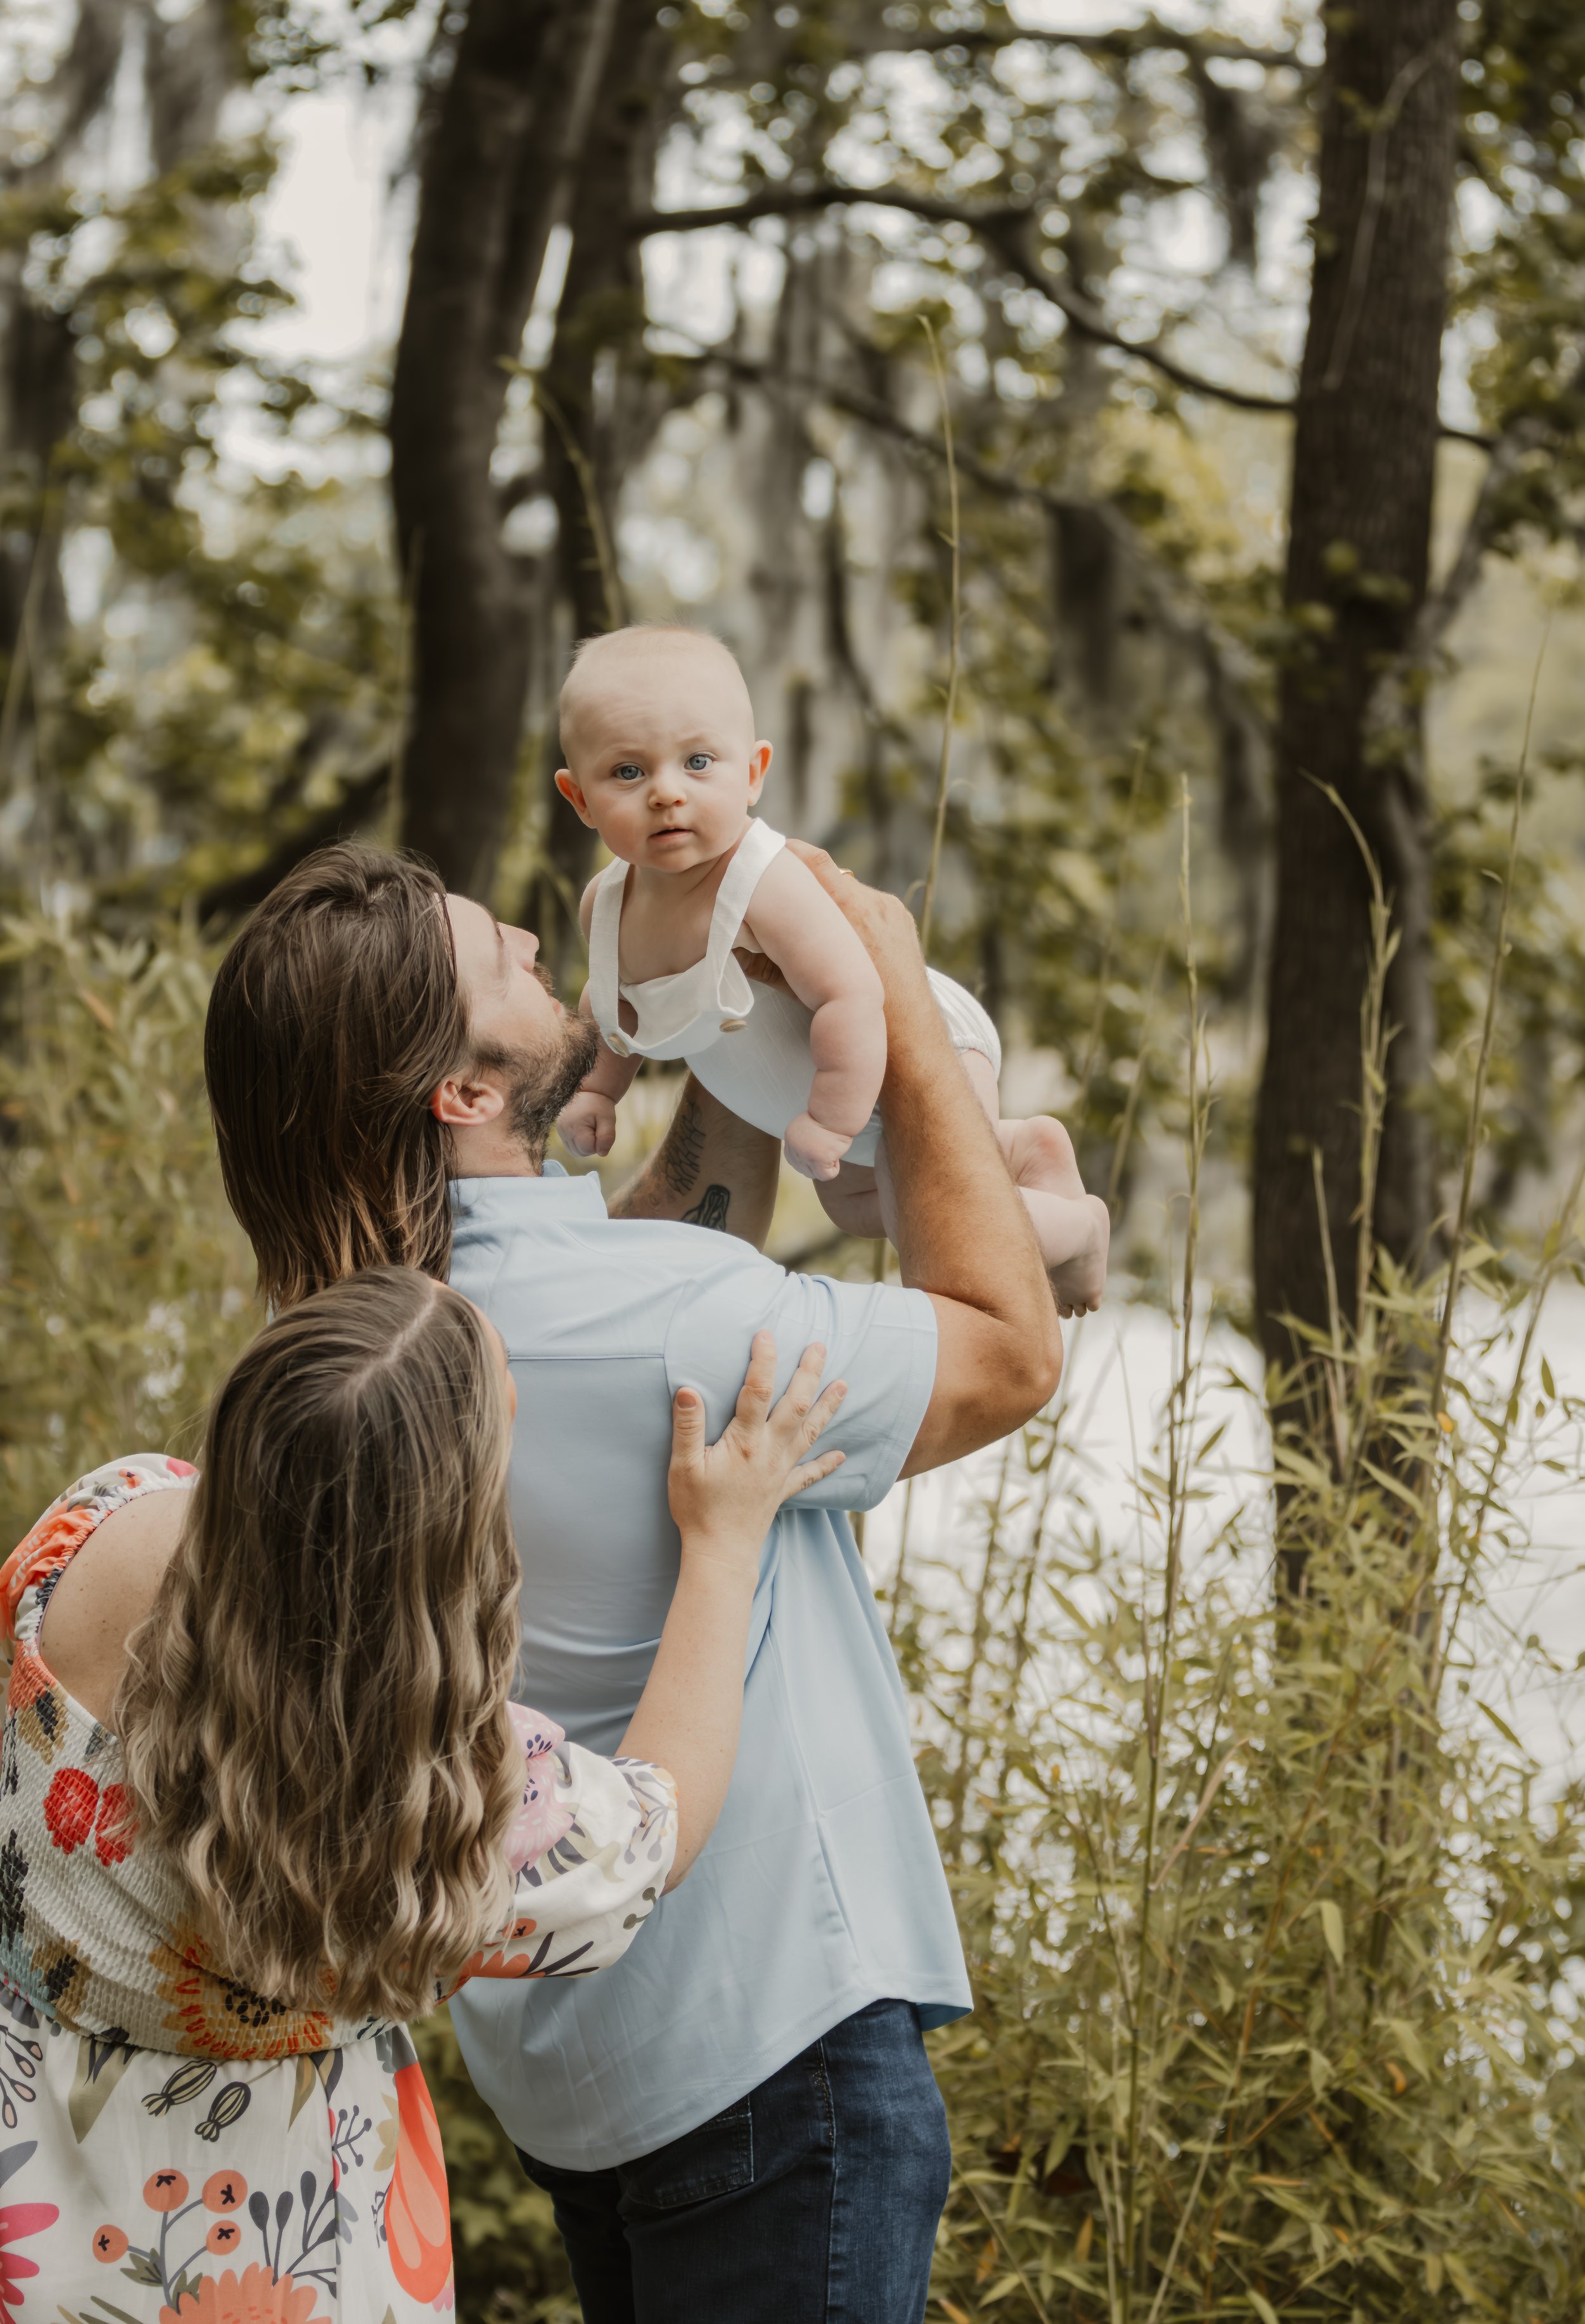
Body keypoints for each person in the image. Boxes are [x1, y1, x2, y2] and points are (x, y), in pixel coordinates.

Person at [203, 834, 1070, 2324]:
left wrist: (717, 1001)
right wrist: (891, 981)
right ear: (461, 1091)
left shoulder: (361, 1353)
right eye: (503, 954)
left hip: (583, 2076)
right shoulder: (669, 1319)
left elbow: (675, 1237)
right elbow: (1008, 1348)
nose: (544, 942)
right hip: (776, 2065)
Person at [0, 1267, 842, 2314]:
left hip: (39, 2234)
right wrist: (723, 1543)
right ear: (443, 1544)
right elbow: (652, 1830)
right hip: (282, 2261)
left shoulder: (90, 1532)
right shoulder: (442, 1800)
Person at [553, 623, 1110, 1313]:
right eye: (628, 772)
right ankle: (1017, 1154)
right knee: (854, 1206)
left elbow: (851, 994)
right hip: (834, 1096)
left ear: (753, 773)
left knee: (936, 1222)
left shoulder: (761, 883)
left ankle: (1079, 1226)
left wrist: (831, 1117)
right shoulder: (606, 903)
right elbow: (615, 999)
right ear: (579, 799)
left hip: (914, 1043)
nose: (667, 793)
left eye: (698, 763)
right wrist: (599, 1090)